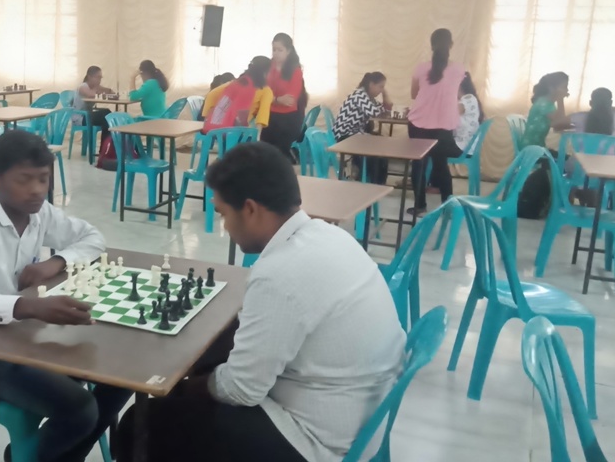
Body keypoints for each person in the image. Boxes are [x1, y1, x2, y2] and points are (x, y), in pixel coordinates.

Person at [115, 142, 405, 462]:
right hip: (360, 411)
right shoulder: (329, 235)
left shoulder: (280, 273)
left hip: (318, 438)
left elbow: (242, 389)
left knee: (140, 423)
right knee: (210, 364)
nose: (225, 227)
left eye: (224, 214)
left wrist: (186, 388)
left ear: (250, 209)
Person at [0, 130, 131, 462]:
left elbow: (92, 238)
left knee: (122, 375)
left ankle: (38, 457)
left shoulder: (40, 213)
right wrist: (27, 307)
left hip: (25, 339)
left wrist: (56, 262)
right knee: (80, 409)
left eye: (43, 178)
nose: (37, 190)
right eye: (24, 180)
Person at [406, 28, 467, 215]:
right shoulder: (459, 69)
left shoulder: (421, 68)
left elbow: (414, 94)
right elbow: (457, 93)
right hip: (444, 125)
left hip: (418, 123)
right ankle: (448, 207)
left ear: (431, 45)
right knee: (441, 166)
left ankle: (420, 207)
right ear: (451, 45)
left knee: (419, 165)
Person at [333, 72, 392, 184]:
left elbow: (385, 111)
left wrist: (385, 95)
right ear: (371, 84)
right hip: (345, 134)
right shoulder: (360, 95)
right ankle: (373, 182)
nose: (381, 90)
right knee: (375, 150)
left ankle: (378, 183)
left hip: (356, 133)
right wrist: (385, 98)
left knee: (382, 145)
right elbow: (375, 113)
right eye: (380, 87)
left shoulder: (369, 97)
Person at [262, 33, 307, 161]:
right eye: (274, 49)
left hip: (288, 118)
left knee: (279, 155)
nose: (276, 53)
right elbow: (261, 93)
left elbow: (289, 101)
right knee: (263, 152)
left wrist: (270, 99)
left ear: (288, 51)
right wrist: (277, 99)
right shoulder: (268, 66)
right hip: (270, 115)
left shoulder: (295, 70)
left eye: (280, 50)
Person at [201, 56, 273, 134]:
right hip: (236, 133)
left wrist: (207, 117)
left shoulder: (237, 82)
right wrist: (257, 137)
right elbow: (261, 118)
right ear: (265, 73)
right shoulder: (265, 90)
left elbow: (211, 95)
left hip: (215, 128)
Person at [519, 72, 570, 150]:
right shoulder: (544, 104)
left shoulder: (549, 104)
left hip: (537, 148)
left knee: (564, 155)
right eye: (564, 87)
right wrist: (560, 99)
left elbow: (558, 126)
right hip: (531, 151)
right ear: (551, 88)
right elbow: (561, 123)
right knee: (567, 156)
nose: (567, 90)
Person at [74, 65, 115, 144]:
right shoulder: (83, 87)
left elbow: (110, 92)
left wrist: (108, 90)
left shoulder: (95, 87)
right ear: (89, 77)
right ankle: (105, 145)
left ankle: (106, 146)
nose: (99, 80)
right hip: (80, 118)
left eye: (101, 78)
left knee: (107, 115)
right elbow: (91, 95)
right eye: (98, 77)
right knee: (106, 115)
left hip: (88, 115)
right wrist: (98, 88)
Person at [455, 72, 484, 155]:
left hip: (464, 147)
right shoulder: (465, 100)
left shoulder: (469, 99)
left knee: (433, 147)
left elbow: (451, 113)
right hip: (464, 145)